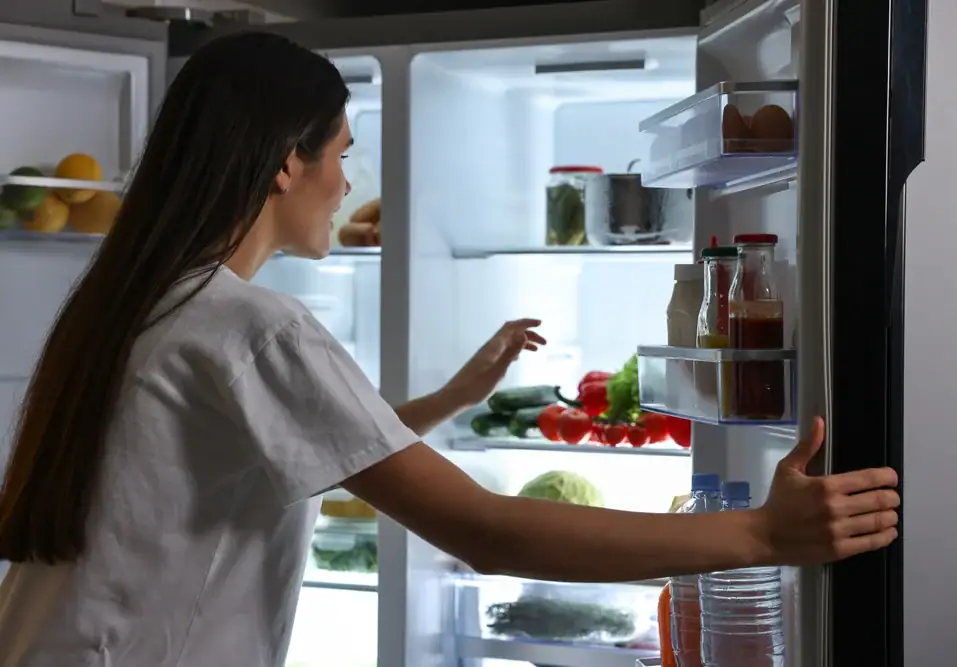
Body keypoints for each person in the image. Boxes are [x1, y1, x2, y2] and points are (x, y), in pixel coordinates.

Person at [0, 32, 898, 667]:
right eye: (342, 152)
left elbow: (272, 442)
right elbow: (485, 531)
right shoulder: (252, 324)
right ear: (285, 162)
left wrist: (453, 396)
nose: (347, 179)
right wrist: (759, 533)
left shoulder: (143, 306)